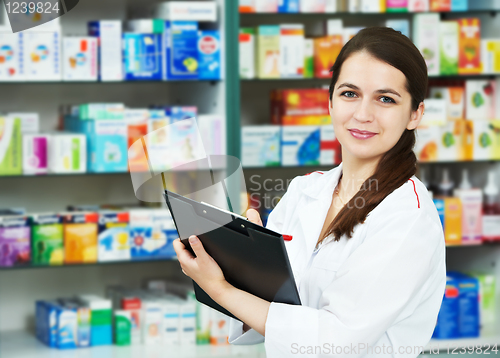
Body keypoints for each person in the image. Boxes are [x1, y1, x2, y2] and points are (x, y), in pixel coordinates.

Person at [173, 27, 446, 357]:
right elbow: (271, 310)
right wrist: (242, 263)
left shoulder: (408, 217)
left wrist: (219, 288)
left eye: (385, 99)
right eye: (349, 94)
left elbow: (334, 342)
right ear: (330, 102)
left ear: (415, 114)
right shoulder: (306, 189)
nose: (363, 114)